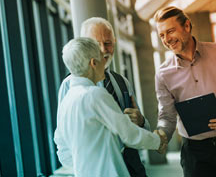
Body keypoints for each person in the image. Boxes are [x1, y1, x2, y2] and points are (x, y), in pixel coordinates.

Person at [153, 6, 216, 177]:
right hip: (194, 153)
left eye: (170, 31)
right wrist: (160, 135)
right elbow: (167, 116)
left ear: (187, 26)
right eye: (162, 35)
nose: (167, 39)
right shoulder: (162, 74)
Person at [54, 37, 167, 177]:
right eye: (102, 58)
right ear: (93, 63)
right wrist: (157, 141)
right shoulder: (94, 94)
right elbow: (127, 133)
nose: (105, 63)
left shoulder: (67, 100)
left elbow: (61, 144)